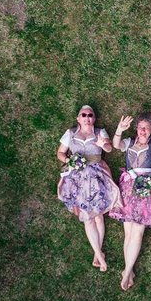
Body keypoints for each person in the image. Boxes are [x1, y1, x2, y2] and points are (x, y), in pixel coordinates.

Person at [109, 113, 151, 291]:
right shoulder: (129, 143)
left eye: (146, 129)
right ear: (136, 129)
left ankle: (126, 272)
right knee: (128, 232)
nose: (143, 131)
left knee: (137, 232)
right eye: (140, 127)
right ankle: (128, 271)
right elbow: (116, 145)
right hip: (127, 188)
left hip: (144, 187)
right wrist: (119, 130)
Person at [56, 105, 120, 271]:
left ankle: (97, 254)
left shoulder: (100, 132)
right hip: (78, 178)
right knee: (87, 217)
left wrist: (103, 144)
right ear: (78, 118)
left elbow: (109, 148)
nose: (87, 117)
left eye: (90, 115)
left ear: (94, 118)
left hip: (97, 175)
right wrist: (70, 161)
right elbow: (60, 153)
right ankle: (99, 255)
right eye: (83, 115)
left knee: (98, 216)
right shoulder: (70, 133)